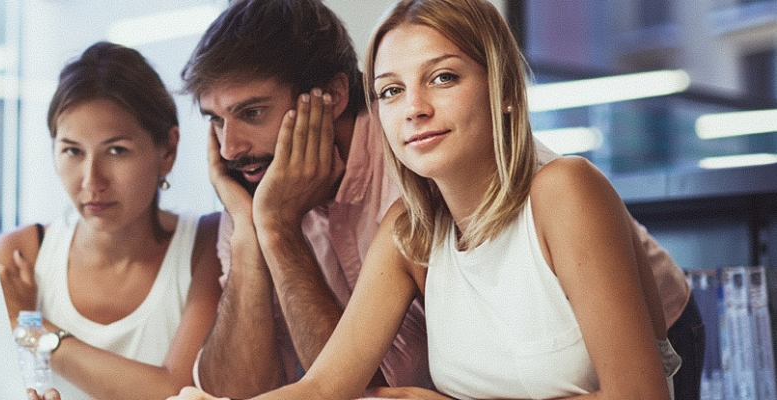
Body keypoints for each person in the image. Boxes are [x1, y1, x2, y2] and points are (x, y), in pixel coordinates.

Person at [177, 0, 701, 399]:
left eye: (443, 78)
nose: (414, 109)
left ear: (504, 91)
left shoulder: (563, 188)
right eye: (391, 91)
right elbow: (325, 388)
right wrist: (265, 225)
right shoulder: (408, 226)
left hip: (656, 327)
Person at [0, 41, 222, 400]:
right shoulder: (21, 255)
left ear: (168, 150)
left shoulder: (206, 244)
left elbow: (176, 391)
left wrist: (31, 330)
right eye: (72, 150)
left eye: (116, 150)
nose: (92, 181)